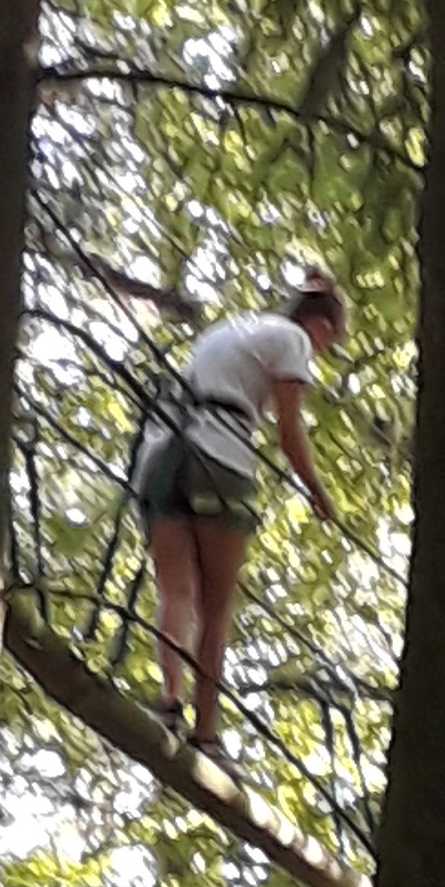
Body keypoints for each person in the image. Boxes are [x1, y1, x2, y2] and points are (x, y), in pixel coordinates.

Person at [135, 266, 345, 756]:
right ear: (321, 327)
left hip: (162, 455)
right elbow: (289, 431)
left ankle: (170, 700)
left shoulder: (230, 331)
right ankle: (206, 734)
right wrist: (318, 492)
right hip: (219, 458)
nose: (318, 355)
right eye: (327, 345)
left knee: (176, 591)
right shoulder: (293, 339)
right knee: (216, 609)